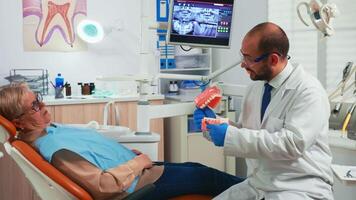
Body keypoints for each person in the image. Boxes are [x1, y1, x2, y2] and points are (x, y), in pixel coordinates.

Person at [0, 83, 244, 200]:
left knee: (196, 167)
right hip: (137, 187)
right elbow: (104, 186)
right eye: (34, 106)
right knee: (207, 178)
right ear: (19, 122)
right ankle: (261, 194)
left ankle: (255, 190)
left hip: (138, 171)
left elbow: (90, 151)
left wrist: (125, 155)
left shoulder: (48, 130)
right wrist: (137, 164)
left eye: (39, 98)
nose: (43, 106)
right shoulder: (55, 150)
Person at [194, 22, 333, 200]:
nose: (243, 64)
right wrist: (215, 124)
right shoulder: (256, 88)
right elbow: (249, 131)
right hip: (259, 184)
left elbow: (292, 143)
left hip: (299, 187)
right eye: (242, 56)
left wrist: (229, 135)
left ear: (273, 59)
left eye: (249, 58)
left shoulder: (308, 91)